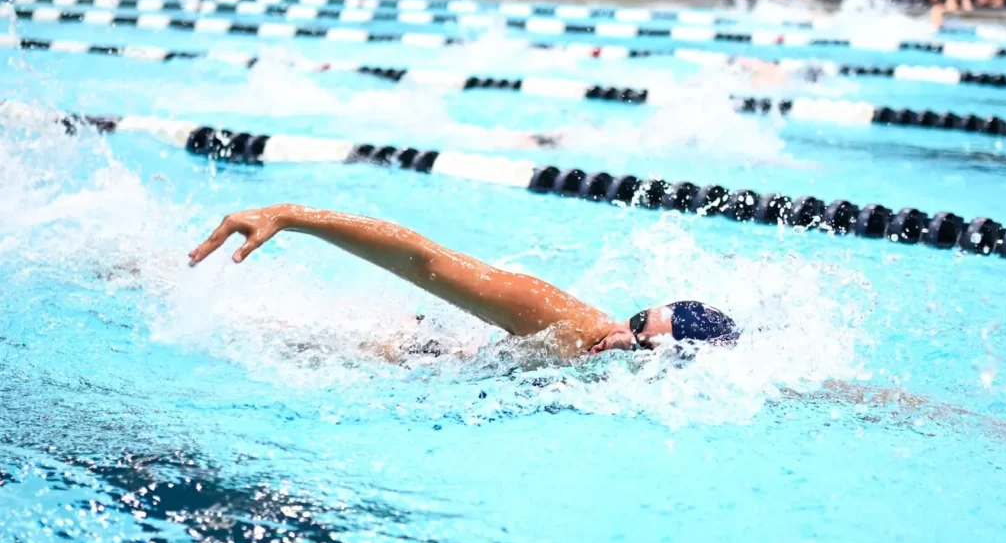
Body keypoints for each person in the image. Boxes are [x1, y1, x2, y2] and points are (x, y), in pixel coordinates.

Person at [187, 205, 740, 359]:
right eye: (637, 321)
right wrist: (292, 217)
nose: (622, 338)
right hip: (406, 348)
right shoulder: (561, 322)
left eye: (641, 349)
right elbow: (423, 260)